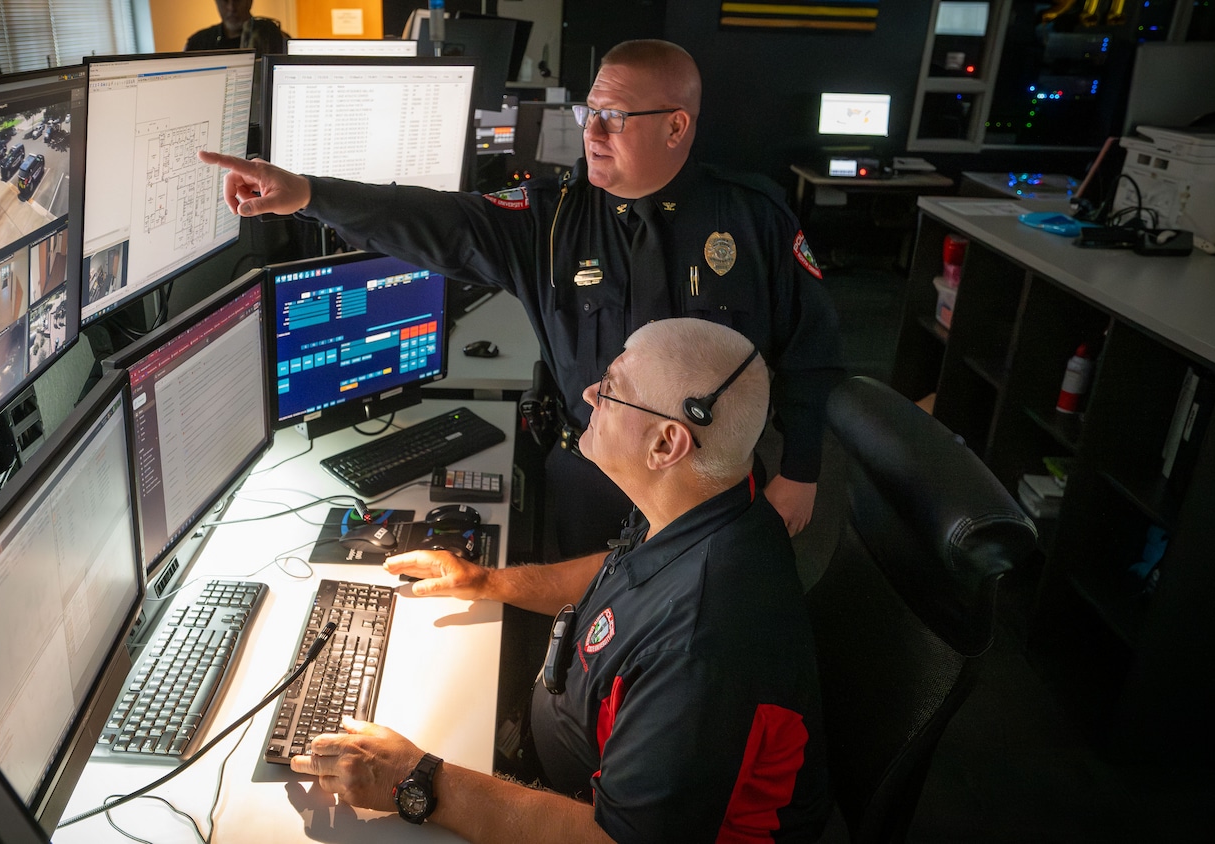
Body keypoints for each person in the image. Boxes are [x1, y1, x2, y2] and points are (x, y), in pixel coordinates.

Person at [197, 39, 841, 551]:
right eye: (591, 114)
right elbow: (435, 220)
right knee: (576, 650)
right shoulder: (551, 217)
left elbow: (811, 351)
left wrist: (802, 469)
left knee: (699, 658)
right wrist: (310, 194)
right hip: (592, 475)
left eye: (614, 118)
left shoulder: (755, 220)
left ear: (676, 127)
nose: (593, 132)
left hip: (712, 490)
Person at [289, 319, 830, 843]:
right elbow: (618, 571)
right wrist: (486, 581)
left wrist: (418, 778)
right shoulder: (712, 499)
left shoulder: (701, 647)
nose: (589, 393)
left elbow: (615, 839)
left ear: (666, 445)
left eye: (612, 390)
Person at [184, 0, 288, 54]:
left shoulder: (274, 37)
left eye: (237, 0)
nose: (231, 8)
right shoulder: (198, 43)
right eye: (225, 0)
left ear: (250, 1)